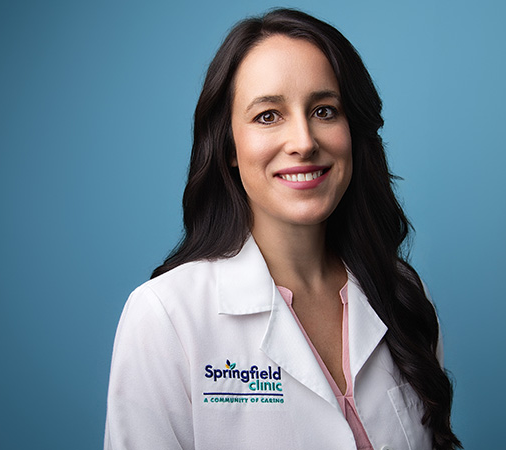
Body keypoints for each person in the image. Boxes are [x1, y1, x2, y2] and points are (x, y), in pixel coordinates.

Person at [105, 8, 461, 450]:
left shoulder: (405, 296)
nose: (304, 141)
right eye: (268, 115)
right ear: (230, 147)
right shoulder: (164, 317)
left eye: (324, 110)